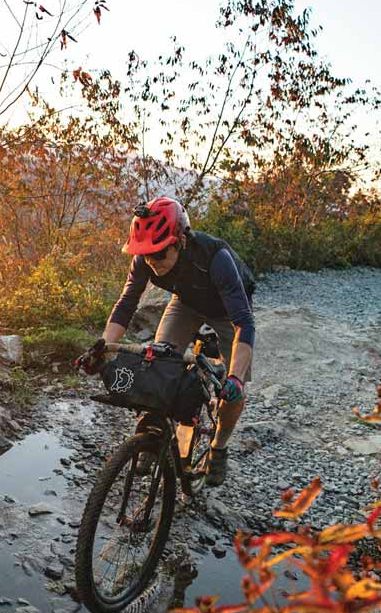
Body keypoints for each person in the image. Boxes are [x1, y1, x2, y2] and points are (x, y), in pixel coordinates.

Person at [79, 197, 255, 486]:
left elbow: (244, 324)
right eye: (146, 254)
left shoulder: (216, 259)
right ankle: (153, 435)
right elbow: (126, 304)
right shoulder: (145, 258)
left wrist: (235, 377)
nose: (152, 260)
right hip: (186, 302)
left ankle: (219, 449)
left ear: (181, 241)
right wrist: (102, 348)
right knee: (158, 366)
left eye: (159, 253)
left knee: (234, 389)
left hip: (227, 312)